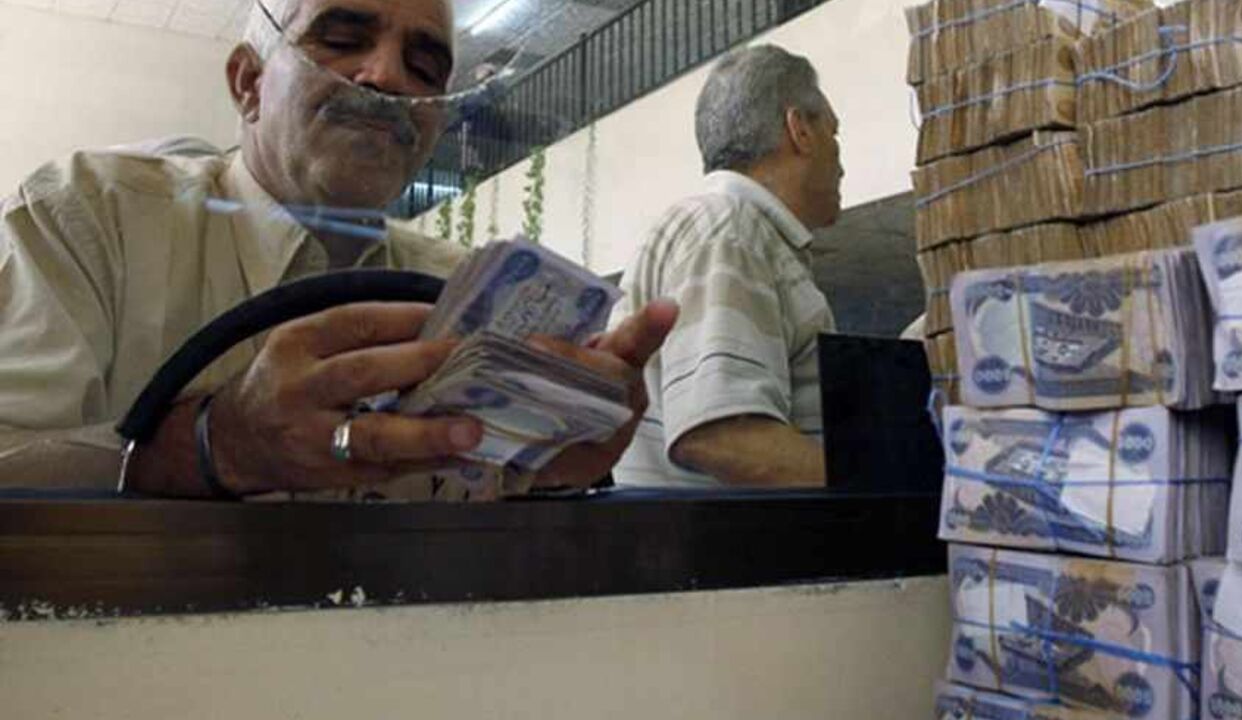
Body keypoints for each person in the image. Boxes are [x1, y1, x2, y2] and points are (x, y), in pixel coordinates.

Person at [0, 0, 676, 499]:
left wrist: (552, 473)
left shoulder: (457, 285)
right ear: (247, 83)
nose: (387, 79)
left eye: (425, 66)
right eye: (344, 39)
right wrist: (214, 446)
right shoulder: (88, 218)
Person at [611, 44, 842, 489]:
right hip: (720, 557)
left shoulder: (733, 231)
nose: (840, 159)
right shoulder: (729, 229)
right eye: (834, 133)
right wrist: (892, 488)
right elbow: (721, 436)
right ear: (801, 131)